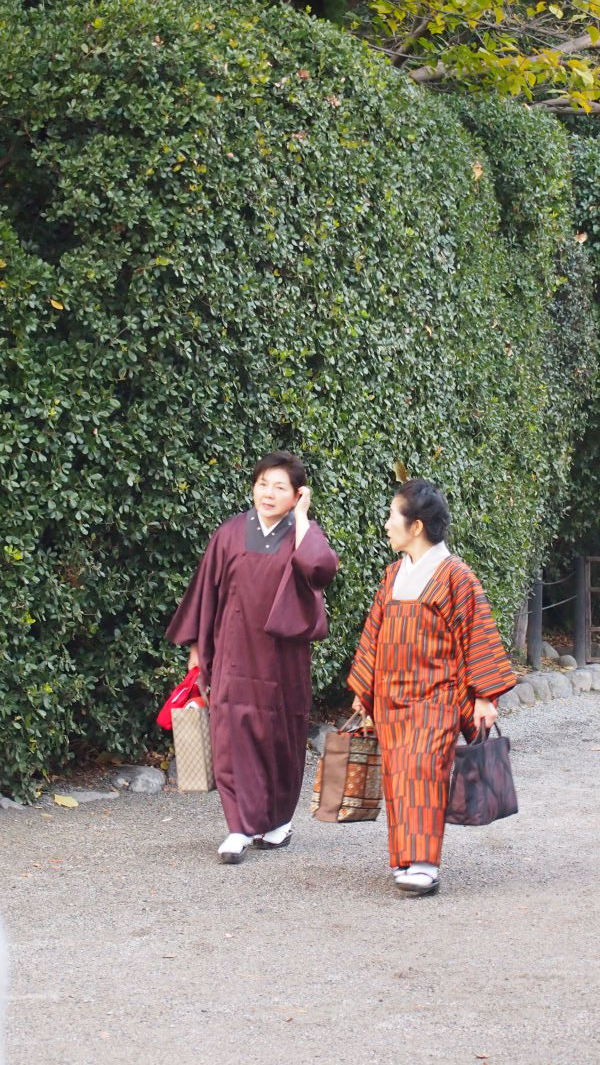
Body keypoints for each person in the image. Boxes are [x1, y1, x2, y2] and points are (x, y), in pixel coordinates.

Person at [166, 451, 338, 864]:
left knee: (280, 735)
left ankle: (278, 822)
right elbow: (206, 593)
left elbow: (319, 568)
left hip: (282, 659)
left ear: (297, 495)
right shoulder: (229, 534)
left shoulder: (302, 531)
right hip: (232, 652)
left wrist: (301, 519)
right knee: (232, 735)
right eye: (263, 483)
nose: (268, 493)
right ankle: (239, 826)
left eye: (280, 487)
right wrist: (195, 649)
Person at [348, 478, 516, 897]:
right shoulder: (392, 575)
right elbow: (373, 634)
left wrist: (483, 696)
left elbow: (477, 634)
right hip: (390, 696)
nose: (387, 524)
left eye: (392, 515)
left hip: (435, 694)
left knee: (424, 770)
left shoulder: (456, 576)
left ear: (416, 526)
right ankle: (404, 856)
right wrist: (363, 689)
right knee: (397, 774)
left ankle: (425, 863)